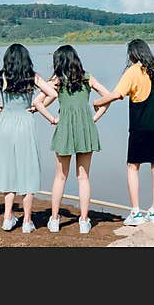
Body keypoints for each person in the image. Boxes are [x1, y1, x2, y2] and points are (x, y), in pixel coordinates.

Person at [0, 44, 57, 233]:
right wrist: (36, 106)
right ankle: (27, 221)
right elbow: (53, 93)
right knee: (28, 170)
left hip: (5, 122)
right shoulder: (32, 77)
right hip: (26, 121)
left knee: (7, 169)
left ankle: (8, 217)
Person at [93, 39, 154, 226]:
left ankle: (136, 212)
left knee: (133, 166)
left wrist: (97, 103)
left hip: (140, 125)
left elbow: (117, 94)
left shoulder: (132, 71)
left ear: (133, 54)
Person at [32, 45, 109, 234]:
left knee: (60, 176)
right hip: (85, 129)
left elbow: (37, 102)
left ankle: (55, 219)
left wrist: (51, 118)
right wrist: (95, 118)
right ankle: (83, 221)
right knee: (83, 177)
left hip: (64, 128)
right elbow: (107, 97)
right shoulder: (87, 77)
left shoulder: (57, 80)